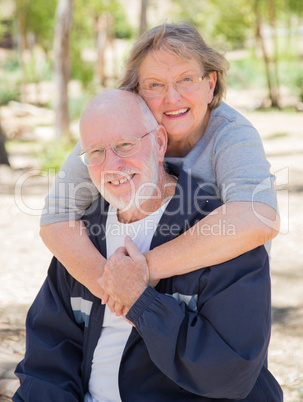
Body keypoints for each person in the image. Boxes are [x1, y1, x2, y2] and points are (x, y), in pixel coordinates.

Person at [14, 90, 282, 401]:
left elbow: (229, 376)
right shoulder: (84, 239)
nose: (112, 164)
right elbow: (46, 362)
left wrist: (142, 303)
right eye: (96, 152)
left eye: (125, 145)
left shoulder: (222, 235)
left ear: (159, 143)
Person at [39, 22, 280, 302]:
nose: (172, 97)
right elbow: (56, 217)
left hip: (218, 296)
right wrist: (112, 289)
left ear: (210, 84)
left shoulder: (232, 134)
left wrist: (142, 270)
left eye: (187, 79)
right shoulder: (113, 135)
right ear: (136, 92)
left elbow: (260, 218)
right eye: (155, 85)